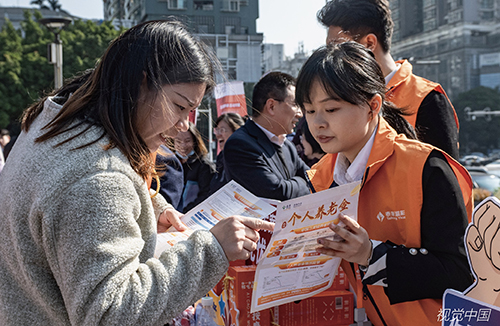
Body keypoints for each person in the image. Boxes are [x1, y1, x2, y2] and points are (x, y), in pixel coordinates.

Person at [0, 20, 273, 326]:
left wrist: (146, 208)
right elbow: (110, 313)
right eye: (179, 106)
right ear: (140, 83)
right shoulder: (98, 178)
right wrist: (212, 249)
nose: (183, 125)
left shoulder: (56, 120)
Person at [295, 42, 473, 326]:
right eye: (308, 110)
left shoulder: (426, 167)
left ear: (373, 106)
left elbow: (462, 271)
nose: (317, 123)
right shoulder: (321, 177)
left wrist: (371, 254)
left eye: (330, 109)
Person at [318, 0, 460, 159]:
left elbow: (446, 177)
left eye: (337, 46)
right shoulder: (340, 97)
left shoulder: (427, 99)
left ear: (369, 43)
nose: (331, 55)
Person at [223, 72, 310, 201]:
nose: (300, 114)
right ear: (271, 106)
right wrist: (302, 182)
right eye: (295, 104)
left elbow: (313, 177)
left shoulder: (287, 146)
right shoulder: (240, 145)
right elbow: (277, 192)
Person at [175, 122, 215, 213]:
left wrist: (185, 212)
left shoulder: (204, 165)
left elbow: (206, 195)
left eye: (187, 141)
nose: (183, 145)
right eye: (178, 141)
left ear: (195, 141)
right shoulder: (169, 163)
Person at [209, 112, 246, 194]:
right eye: (216, 130)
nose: (218, 135)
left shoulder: (245, 158)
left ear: (236, 131)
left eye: (222, 130)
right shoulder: (221, 157)